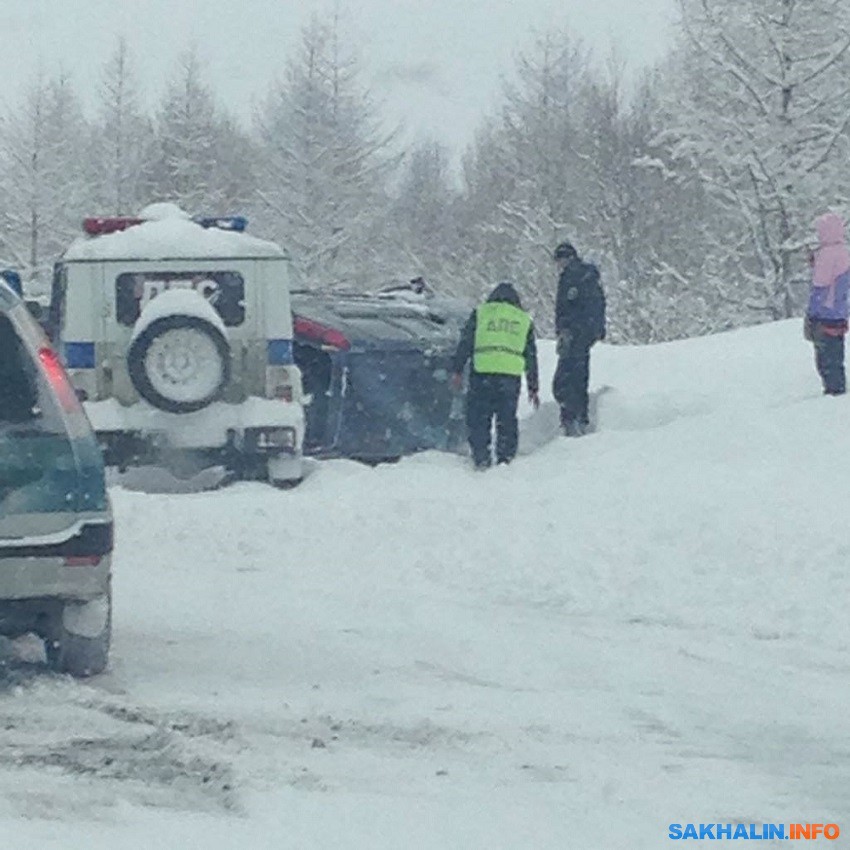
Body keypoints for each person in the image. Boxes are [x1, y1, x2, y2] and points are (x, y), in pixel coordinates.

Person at [451, 282, 539, 469]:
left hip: (482, 374)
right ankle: (505, 459)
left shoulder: (481, 313)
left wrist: (457, 369)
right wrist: (533, 386)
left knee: (478, 417)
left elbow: (466, 342)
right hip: (509, 377)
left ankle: (481, 456)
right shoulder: (523, 320)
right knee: (506, 419)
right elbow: (530, 355)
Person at [551, 241, 606, 435]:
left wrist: (565, 331)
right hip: (586, 335)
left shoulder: (571, 276)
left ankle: (570, 418)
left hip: (574, 334)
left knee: (565, 380)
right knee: (579, 376)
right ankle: (580, 417)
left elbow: (566, 308)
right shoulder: (589, 276)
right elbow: (599, 304)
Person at [804, 212, 850, 395]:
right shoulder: (845, 252)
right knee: (836, 352)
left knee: (824, 356)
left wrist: (811, 312)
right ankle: (838, 384)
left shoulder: (826, 255)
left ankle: (833, 390)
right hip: (841, 312)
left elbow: (820, 286)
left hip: (824, 313)